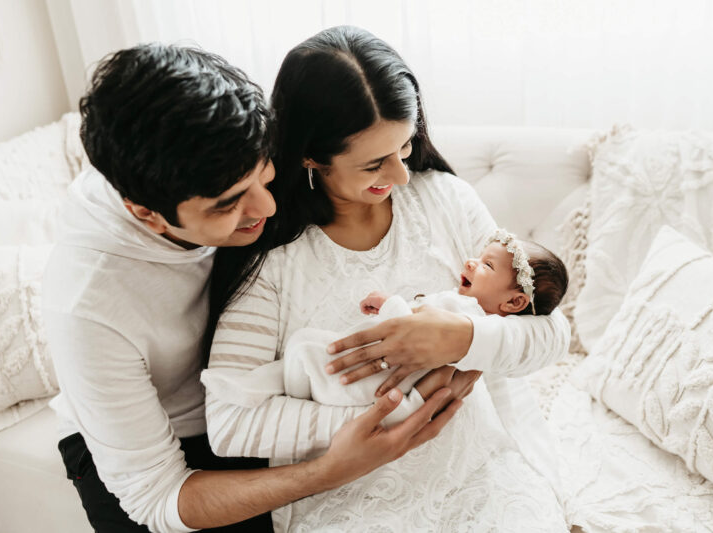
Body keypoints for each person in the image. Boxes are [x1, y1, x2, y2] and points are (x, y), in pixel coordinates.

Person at [43, 43, 459, 533]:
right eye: (228, 204)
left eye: (265, 174)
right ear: (146, 214)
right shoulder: (90, 306)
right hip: (164, 449)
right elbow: (155, 496)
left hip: (259, 402)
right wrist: (330, 471)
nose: (267, 208)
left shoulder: (222, 136)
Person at [203, 26, 572, 532]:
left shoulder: (444, 200)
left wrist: (461, 337)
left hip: (480, 470)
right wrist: (397, 415)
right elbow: (230, 425)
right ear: (310, 155)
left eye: (405, 146)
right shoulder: (271, 263)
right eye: (374, 163)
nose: (401, 175)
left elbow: (552, 334)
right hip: (351, 494)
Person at [202, 229, 568, 426]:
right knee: (305, 351)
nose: (471, 262)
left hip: (378, 382)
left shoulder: (466, 310)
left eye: (486, 265)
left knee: (304, 348)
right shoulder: (467, 308)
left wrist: (390, 304)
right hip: (386, 386)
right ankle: (262, 386)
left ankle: (265, 387)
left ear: (515, 303)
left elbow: (408, 329)